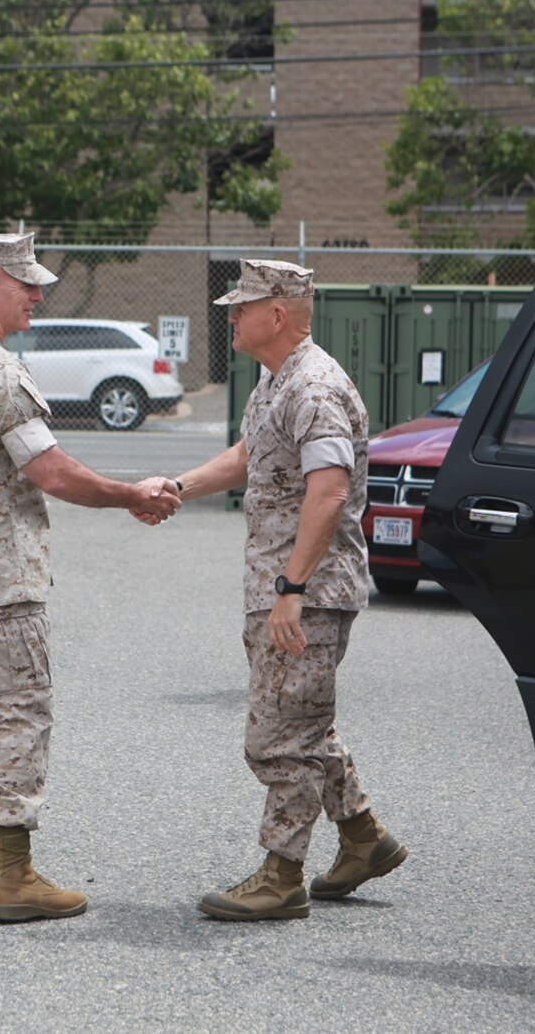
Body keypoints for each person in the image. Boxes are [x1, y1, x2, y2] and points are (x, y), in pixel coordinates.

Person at [0, 231, 180, 923]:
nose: (38, 295)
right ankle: (14, 872)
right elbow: (49, 471)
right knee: (21, 707)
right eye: (26, 284)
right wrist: (132, 494)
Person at [160, 258, 406, 922]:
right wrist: (178, 488)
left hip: (308, 591)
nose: (230, 314)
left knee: (277, 737)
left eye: (241, 306)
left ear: (277, 313)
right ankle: (363, 838)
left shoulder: (315, 386)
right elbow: (248, 456)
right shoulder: (276, 380)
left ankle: (280, 874)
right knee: (305, 720)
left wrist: (291, 588)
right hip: (286, 586)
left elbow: (327, 490)